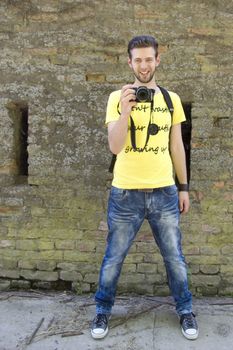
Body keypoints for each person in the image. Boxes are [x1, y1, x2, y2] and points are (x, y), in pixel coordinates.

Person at [91, 35, 198, 341]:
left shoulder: (170, 99)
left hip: (164, 191)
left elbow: (176, 146)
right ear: (129, 62)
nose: (143, 65)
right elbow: (114, 146)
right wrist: (126, 110)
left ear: (157, 60)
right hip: (125, 193)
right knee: (113, 257)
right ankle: (102, 310)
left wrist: (184, 187)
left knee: (175, 257)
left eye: (149, 58)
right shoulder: (117, 97)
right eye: (137, 59)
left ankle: (186, 310)